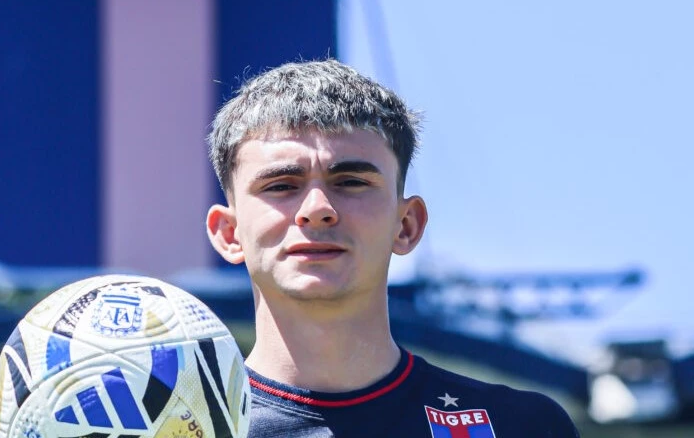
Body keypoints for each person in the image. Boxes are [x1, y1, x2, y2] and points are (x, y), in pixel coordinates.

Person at [205, 58, 579, 437]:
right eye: (281, 185)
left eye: (350, 182)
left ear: (406, 225)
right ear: (229, 232)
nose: (317, 210)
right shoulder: (180, 429)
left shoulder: (521, 426)